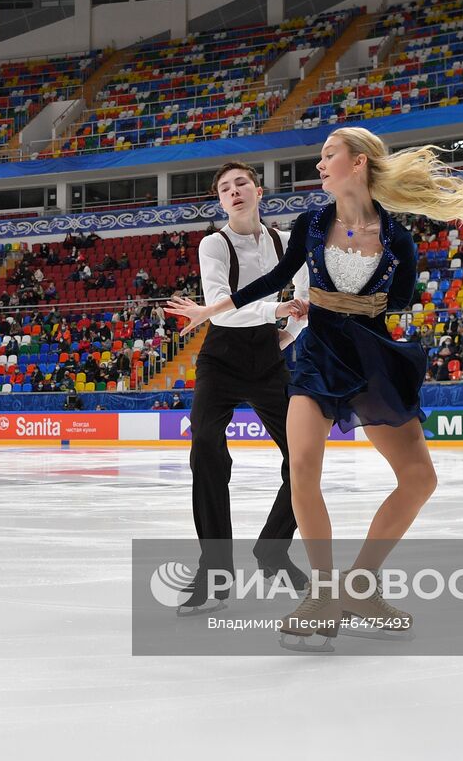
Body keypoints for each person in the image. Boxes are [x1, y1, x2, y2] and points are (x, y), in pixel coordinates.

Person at [167, 127, 463, 652]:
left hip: (369, 356)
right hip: (308, 358)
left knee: (419, 477)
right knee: (298, 464)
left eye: (327, 155)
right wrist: (209, 311)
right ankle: (318, 592)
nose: (318, 166)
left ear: (357, 163)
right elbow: (271, 285)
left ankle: (359, 587)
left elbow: (399, 300)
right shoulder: (309, 224)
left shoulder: (397, 236)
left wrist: (353, 307)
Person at [173, 161, 313, 617]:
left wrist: (285, 334)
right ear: (220, 200)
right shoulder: (213, 244)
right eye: (224, 189)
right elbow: (219, 310)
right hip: (222, 357)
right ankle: (215, 570)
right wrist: (275, 311)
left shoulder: (287, 243)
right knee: (206, 449)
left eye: (241, 184)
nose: (233, 192)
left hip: (268, 357)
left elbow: (306, 300)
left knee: (304, 456)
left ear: (258, 190)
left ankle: (272, 549)